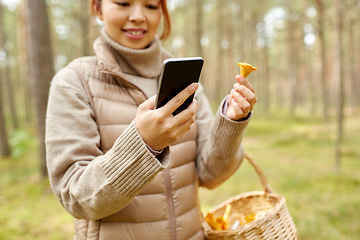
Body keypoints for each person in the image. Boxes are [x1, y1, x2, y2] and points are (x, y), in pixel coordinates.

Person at [45, 0, 257, 239]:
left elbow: (211, 176)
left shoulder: (187, 82)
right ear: (97, 8)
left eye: (151, 6)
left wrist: (229, 124)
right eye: (123, 3)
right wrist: (144, 144)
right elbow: (76, 199)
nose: (138, 16)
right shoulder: (74, 83)